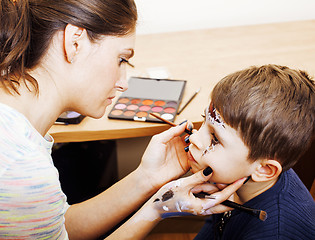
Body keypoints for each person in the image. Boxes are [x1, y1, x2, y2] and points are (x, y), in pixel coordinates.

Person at [0, 1, 246, 239]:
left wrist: (147, 178)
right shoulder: (21, 167)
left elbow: (53, 228)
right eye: (121, 59)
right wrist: (157, 210)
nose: (123, 83)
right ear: (74, 42)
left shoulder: (14, 122)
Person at [184, 64, 315, 240]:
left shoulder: (274, 234)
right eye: (203, 121)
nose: (194, 138)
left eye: (215, 138)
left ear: (264, 170)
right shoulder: (242, 177)